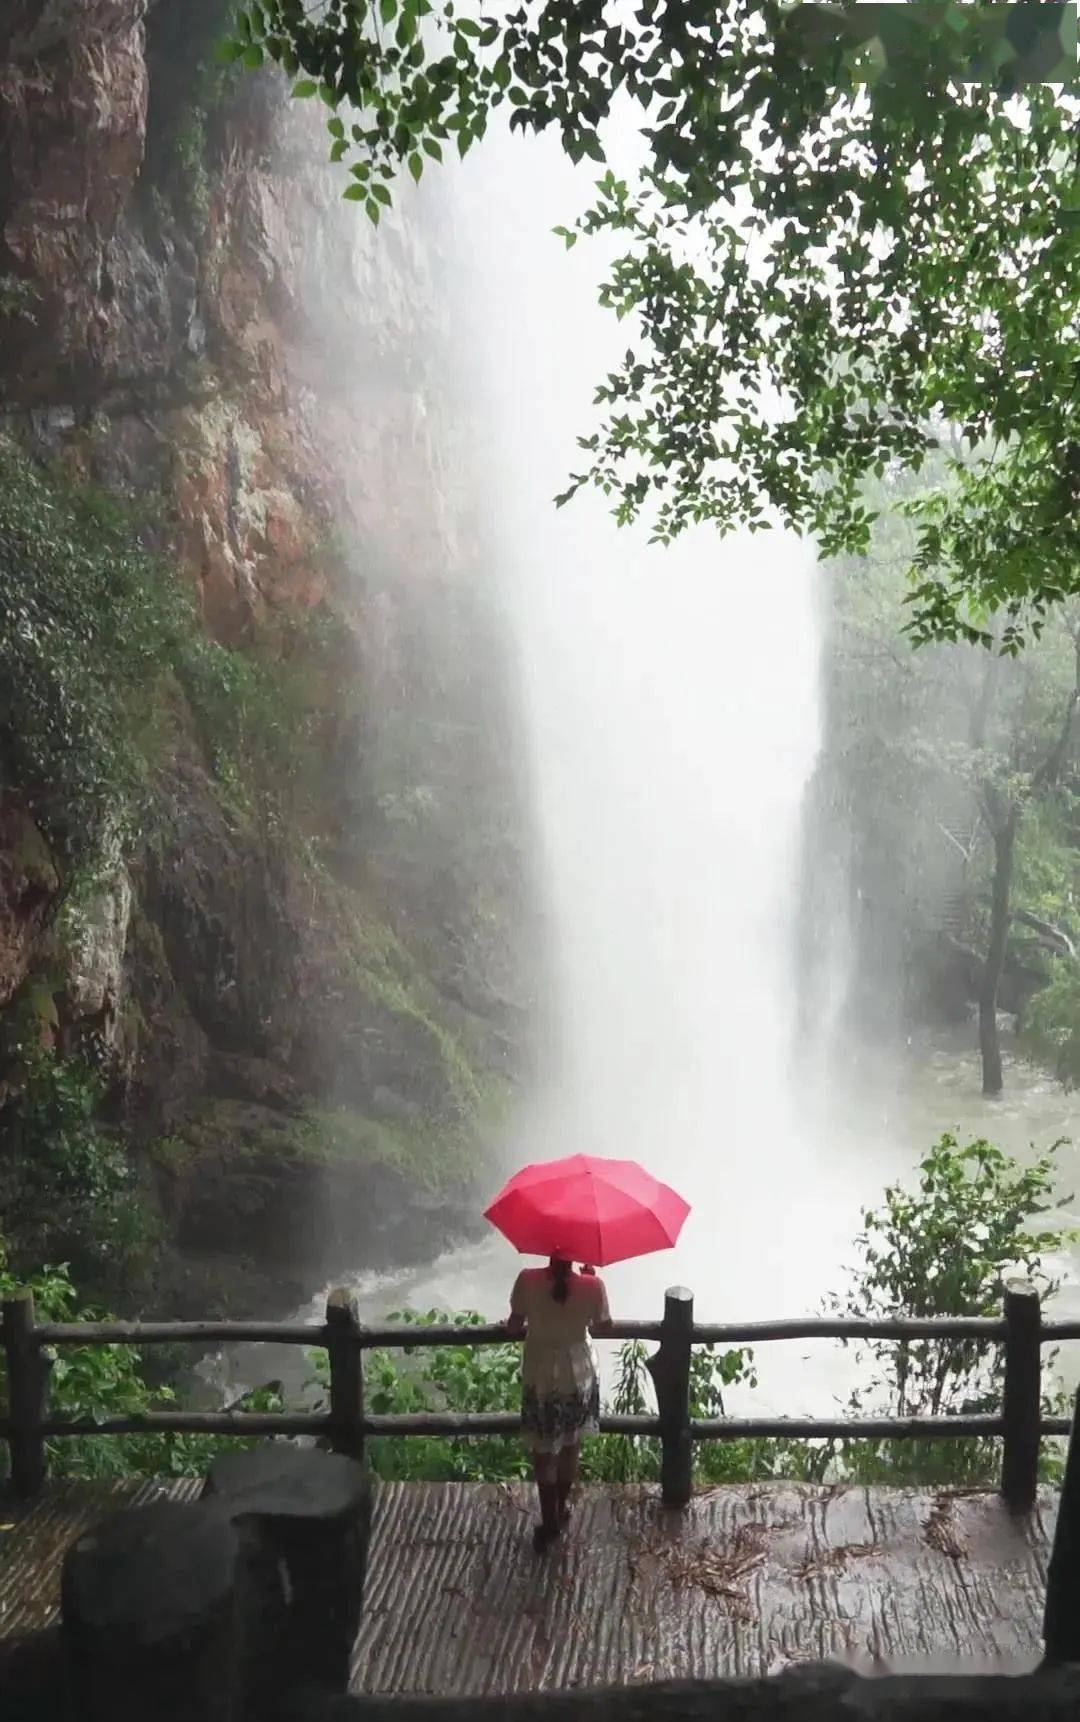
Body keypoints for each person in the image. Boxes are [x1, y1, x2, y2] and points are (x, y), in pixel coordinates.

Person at [504, 1254, 613, 1551]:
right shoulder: (593, 1286)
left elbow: (513, 1327)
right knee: (570, 1443)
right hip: (577, 1374)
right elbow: (604, 1327)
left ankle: (549, 1519)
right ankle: (562, 1510)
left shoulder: (527, 1280)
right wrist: (591, 1279)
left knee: (543, 1448)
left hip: (540, 1374)